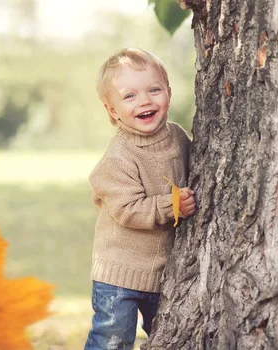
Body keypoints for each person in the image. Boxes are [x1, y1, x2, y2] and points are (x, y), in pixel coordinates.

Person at [84, 48, 196, 350]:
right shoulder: (119, 156)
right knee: (113, 338)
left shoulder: (178, 137)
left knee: (170, 334)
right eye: (129, 96)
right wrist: (171, 205)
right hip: (120, 273)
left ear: (169, 93)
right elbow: (126, 209)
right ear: (112, 110)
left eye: (154, 90)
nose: (145, 101)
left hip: (165, 271)